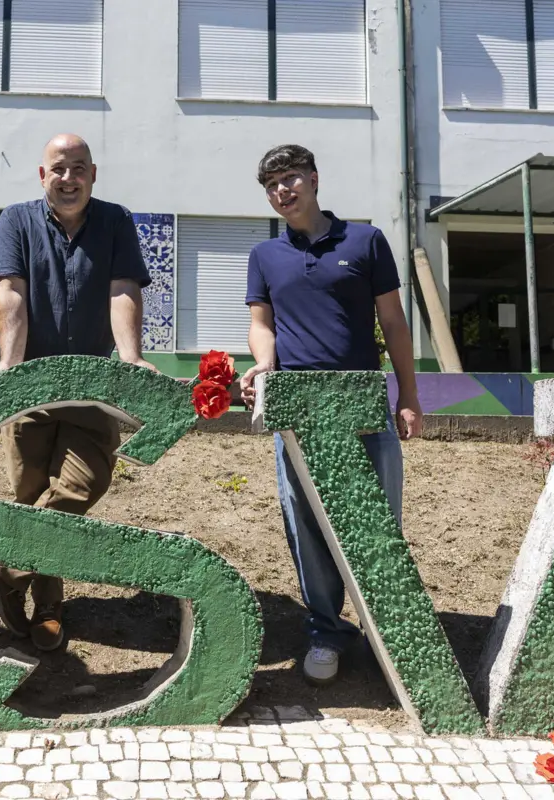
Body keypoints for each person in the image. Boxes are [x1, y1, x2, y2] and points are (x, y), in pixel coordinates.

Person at [240, 144, 422, 685]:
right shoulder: (264, 256)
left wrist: (407, 396)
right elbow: (262, 325)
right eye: (272, 185)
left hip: (365, 406)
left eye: (291, 179)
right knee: (306, 524)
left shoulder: (365, 240)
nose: (282, 191)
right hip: (297, 410)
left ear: (314, 179)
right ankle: (326, 630)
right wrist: (264, 366)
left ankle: (388, 630)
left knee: (378, 523)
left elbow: (393, 322)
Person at [0, 133, 155, 651]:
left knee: (82, 486)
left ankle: (6, 570)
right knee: (29, 495)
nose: (68, 177)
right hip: (29, 385)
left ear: (93, 174)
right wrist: (9, 363)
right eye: (58, 168)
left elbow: (122, 288)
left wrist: (129, 358)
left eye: (78, 168)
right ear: (42, 176)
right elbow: (9, 288)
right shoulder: (16, 219)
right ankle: (47, 607)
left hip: (91, 386)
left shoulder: (115, 220)